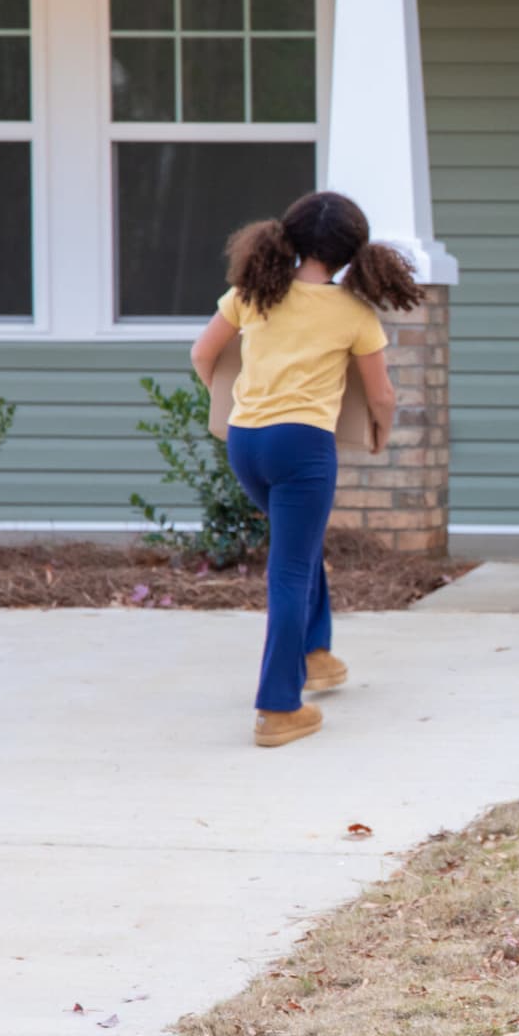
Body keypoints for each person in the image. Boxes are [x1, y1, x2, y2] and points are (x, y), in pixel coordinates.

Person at [191, 191, 423, 748]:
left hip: (246, 444)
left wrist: (232, 403)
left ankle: (317, 655)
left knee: (299, 545)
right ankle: (278, 708)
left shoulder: (252, 293)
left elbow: (202, 355)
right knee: (290, 570)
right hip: (303, 449)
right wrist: (380, 435)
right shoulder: (352, 312)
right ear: (350, 254)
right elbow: (382, 396)